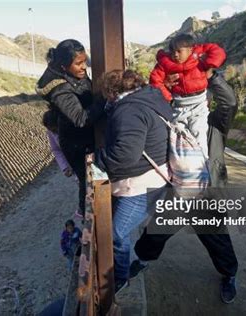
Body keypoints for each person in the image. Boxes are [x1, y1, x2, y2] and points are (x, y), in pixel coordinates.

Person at [129, 71, 240, 304]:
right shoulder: (170, 121)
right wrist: (162, 83)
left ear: (206, 102)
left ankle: (229, 275)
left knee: (217, 240)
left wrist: (211, 76)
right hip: (177, 191)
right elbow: (152, 100)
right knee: (156, 232)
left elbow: (229, 102)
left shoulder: (215, 125)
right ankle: (142, 260)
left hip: (206, 194)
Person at [96, 69, 173, 294]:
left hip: (139, 185)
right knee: (123, 229)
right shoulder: (150, 98)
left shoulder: (129, 110)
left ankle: (120, 277)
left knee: (117, 234)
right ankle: (132, 265)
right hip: (157, 177)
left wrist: (98, 158)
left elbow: (124, 155)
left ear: (112, 92)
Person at [36, 39, 103, 218]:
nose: (84, 67)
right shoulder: (59, 90)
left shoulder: (74, 75)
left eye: (84, 62)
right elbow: (80, 118)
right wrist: (105, 98)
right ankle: (85, 215)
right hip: (76, 144)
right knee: (86, 181)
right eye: (78, 63)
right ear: (64, 66)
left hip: (86, 137)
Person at [149, 33, 226, 159]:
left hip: (198, 105)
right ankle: (181, 165)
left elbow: (217, 52)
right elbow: (155, 82)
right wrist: (169, 98)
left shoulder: (198, 60)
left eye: (179, 51)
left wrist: (203, 55)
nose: (176, 54)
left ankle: (202, 165)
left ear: (190, 50)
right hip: (178, 106)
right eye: (173, 51)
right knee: (178, 135)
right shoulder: (165, 64)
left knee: (199, 133)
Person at [42, 110, 73, 178]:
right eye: (52, 131)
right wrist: (65, 167)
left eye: (55, 130)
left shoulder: (72, 125)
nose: (55, 133)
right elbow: (56, 150)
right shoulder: (51, 132)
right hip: (75, 169)